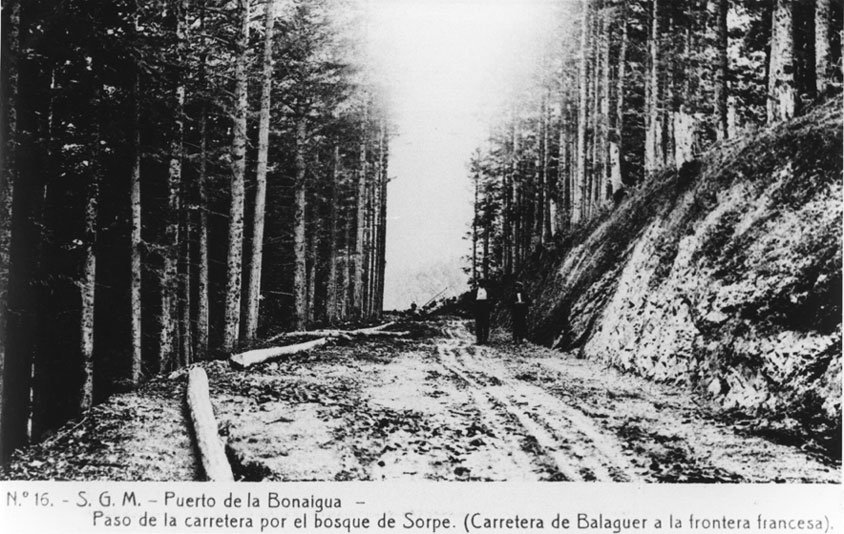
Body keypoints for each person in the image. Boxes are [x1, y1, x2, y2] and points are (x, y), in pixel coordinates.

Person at [474, 280, 491, 345]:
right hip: (478, 307)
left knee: (486, 324)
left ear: (484, 283)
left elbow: (495, 298)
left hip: (485, 307)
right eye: (480, 283)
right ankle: (479, 339)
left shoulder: (488, 290)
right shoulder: (475, 291)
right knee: (478, 324)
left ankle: (485, 339)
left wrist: (490, 305)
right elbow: (469, 299)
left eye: (483, 283)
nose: (481, 284)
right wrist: (473, 306)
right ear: (478, 283)